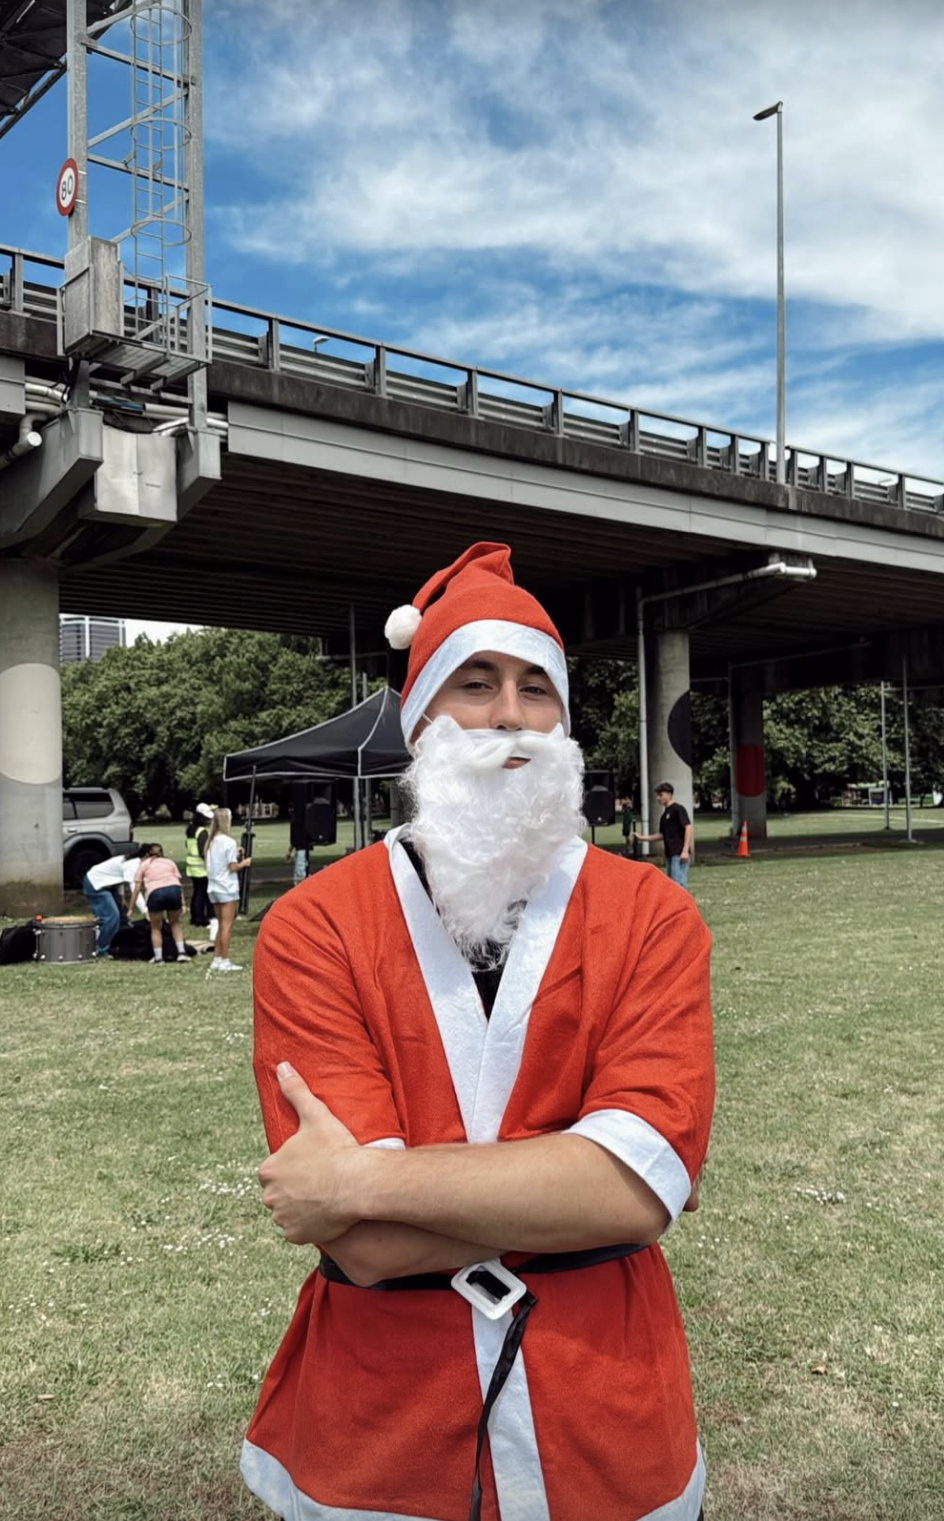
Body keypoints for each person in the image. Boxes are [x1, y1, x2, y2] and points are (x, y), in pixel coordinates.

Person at [241, 543, 715, 1521]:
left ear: (566, 723)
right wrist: (562, 1187)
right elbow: (365, 1248)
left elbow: (632, 1189)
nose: (510, 715)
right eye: (476, 682)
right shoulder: (313, 925)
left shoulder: (652, 917)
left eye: (538, 688)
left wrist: (361, 1181)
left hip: (607, 1420)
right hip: (383, 1430)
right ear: (420, 723)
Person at [204, 807, 252, 973]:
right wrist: (243, 864)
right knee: (227, 926)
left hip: (213, 887)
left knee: (220, 924)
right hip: (227, 887)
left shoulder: (211, 841)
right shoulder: (229, 841)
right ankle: (225, 960)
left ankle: (217, 959)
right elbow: (232, 867)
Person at [82, 846, 150, 957]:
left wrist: (121, 897)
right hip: (96, 884)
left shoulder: (133, 861)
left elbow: (119, 878)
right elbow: (135, 889)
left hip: (109, 885)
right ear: (146, 856)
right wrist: (145, 911)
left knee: (122, 917)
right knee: (111, 917)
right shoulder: (133, 865)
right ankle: (101, 949)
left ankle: (116, 944)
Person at [127, 843, 189, 964]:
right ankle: (181, 953)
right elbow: (178, 882)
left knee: (156, 928)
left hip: (155, 893)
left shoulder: (144, 865)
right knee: (175, 923)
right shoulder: (169, 862)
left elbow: (137, 888)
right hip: (173, 890)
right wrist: (183, 903)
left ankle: (159, 958)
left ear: (148, 853)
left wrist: (130, 907)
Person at [633, 781, 694, 889]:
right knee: (671, 885)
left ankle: (682, 905)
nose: (658, 798)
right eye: (658, 795)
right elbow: (661, 835)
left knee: (679, 885)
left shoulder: (678, 809)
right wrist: (642, 838)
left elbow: (688, 827)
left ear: (669, 795)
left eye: (661, 795)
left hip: (678, 853)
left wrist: (685, 851)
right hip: (670, 854)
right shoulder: (664, 815)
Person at [185, 802, 216, 937]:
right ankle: (202, 919)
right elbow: (203, 850)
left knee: (197, 892)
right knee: (203, 894)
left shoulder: (190, 829)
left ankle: (195, 917)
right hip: (201, 867)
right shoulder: (202, 831)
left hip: (191, 866)